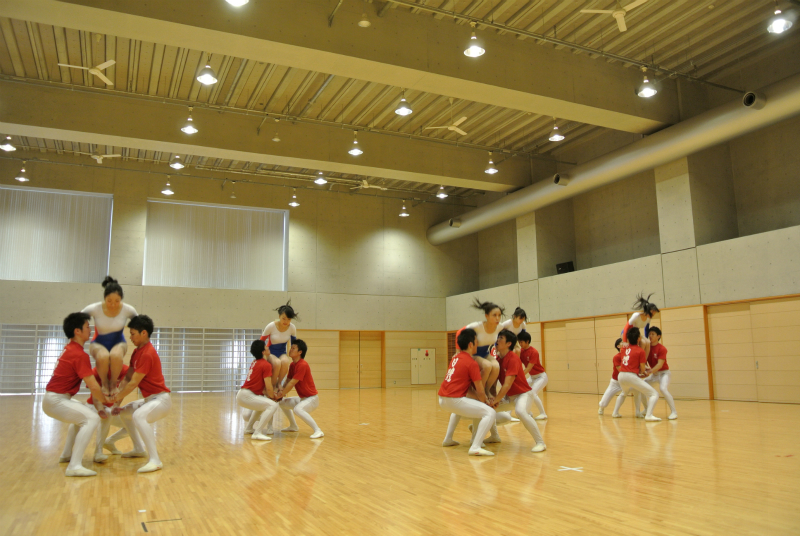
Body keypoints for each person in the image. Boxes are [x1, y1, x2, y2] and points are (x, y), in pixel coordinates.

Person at [42, 312, 109, 477]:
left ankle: (66, 455)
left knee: (83, 416)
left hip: (55, 399)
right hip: (56, 400)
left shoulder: (71, 349)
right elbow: (93, 386)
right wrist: (107, 399)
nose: (90, 330)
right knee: (91, 419)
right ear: (77, 331)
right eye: (87, 327)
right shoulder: (78, 354)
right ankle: (74, 466)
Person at [112, 315, 172, 473]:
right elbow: (127, 378)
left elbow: (133, 383)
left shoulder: (147, 354)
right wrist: (117, 403)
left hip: (161, 400)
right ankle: (138, 448)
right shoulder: (136, 352)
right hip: (149, 400)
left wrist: (116, 397)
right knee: (125, 414)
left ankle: (155, 460)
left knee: (139, 416)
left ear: (143, 333)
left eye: (133, 334)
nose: (130, 337)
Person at [439, 328, 496, 456]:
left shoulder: (455, 358)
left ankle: (448, 439)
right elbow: (480, 390)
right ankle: (475, 446)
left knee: (460, 410)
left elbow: (469, 388)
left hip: (442, 399)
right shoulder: (471, 363)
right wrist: (487, 402)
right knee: (490, 413)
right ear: (471, 344)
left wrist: (482, 400)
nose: (478, 344)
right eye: (476, 342)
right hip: (454, 400)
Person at [491, 329, 547, 452]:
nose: (497, 340)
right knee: (488, 410)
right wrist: (492, 399)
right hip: (509, 397)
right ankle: (494, 436)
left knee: (520, 412)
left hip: (523, 394)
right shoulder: (497, 359)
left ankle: (540, 443)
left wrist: (496, 400)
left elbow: (507, 385)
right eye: (498, 337)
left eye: (501, 338)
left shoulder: (513, 358)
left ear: (508, 344)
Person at [81, 276, 138, 398]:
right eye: (109, 301)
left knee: (115, 356)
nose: (113, 304)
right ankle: (104, 383)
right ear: (104, 298)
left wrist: (140, 340)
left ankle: (113, 383)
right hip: (98, 342)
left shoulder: (128, 309)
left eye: (117, 301)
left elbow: (140, 324)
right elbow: (76, 320)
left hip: (119, 342)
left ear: (121, 299)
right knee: (103, 356)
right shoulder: (95, 308)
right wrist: (80, 335)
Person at [63, 364, 130, 462]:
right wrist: (101, 409)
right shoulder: (95, 371)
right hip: (92, 406)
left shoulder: (124, 369)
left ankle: (109, 442)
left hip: (110, 408)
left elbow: (122, 391)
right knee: (78, 422)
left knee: (132, 425)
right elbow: (96, 398)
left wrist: (116, 406)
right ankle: (94, 452)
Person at [277, 340, 324, 439]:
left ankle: (318, 430)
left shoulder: (302, 365)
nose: (290, 350)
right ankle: (293, 426)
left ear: (300, 352)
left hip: (311, 399)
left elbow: (292, 383)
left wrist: (281, 394)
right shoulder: (292, 365)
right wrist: (281, 392)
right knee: (282, 403)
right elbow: (288, 380)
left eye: (293, 348)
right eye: (291, 348)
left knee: (298, 409)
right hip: (303, 398)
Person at [612, 327, 661, 421]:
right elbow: (642, 369)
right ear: (639, 338)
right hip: (630, 376)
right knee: (654, 394)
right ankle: (649, 415)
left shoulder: (624, 348)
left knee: (624, 393)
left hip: (621, 375)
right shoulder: (640, 351)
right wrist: (646, 372)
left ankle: (615, 412)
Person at [237, 340, 280, 441]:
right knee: (272, 405)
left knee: (261, 405)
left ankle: (249, 428)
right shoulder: (266, 365)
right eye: (266, 347)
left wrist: (270, 395)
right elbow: (268, 386)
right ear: (263, 352)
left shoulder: (255, 362)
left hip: (243, 394)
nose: (268, 347)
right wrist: (273, 397)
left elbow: (261, 386)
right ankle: (257, 433)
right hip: (247, 395)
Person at [634, 327, 677, 420]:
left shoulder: (662, 348)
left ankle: (674, 412)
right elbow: (644, 361)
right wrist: (644, 369)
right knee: (641, 387)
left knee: (663, 389)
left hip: (664, 374)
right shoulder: (647, 347)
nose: (650, 336)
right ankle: (646, 409)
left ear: (658, 336)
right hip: (655, 374)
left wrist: (649, 371)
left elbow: (659, 365)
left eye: (653, 334)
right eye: (649, 334)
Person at [260, 301, 299, 389]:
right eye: (284, 318)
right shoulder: (271, 326)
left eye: (289, 319)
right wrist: (262, 356)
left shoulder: (292, 328)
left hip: (282, 352)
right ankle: (273, 386)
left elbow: (294, 345)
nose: (286, 321)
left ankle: (279, 383)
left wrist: (296, 358)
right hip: (271, 352)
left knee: (285, 362)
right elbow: (261, 341)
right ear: (279, 316)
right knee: (277, 363)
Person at [518, 331, 547, 420]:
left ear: (527, 341)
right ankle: (528, 412)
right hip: (532, 377)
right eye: (519, 342)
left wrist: (518, 377)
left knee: (533, 393)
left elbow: (528, 368)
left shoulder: (534, 352)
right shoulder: (521, 351)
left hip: (541, 377)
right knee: (520, 391)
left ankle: (543, 413)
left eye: (521, 342)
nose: (520, 344)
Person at [621, 293, 659, 357]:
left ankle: (644, 361)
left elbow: (646, 329)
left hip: (636, 334)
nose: (652, 316)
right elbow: (626, 327)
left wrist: (646, 339)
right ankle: (637, 359)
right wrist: (624, 341)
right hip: (627, 333)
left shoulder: (648, 318)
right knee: (643, 343)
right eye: (653, 314)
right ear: (650, 311)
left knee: (647, 342)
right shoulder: (636, 315)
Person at [598, 338, 623, 415]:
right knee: (604, 403)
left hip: (626, 381)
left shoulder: (629, 355)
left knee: (638, 391)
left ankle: (639, 411)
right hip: (616, 382)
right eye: (622, 342)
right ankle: (601, 408)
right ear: (618, 346)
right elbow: (620, 369)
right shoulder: (617, 357)